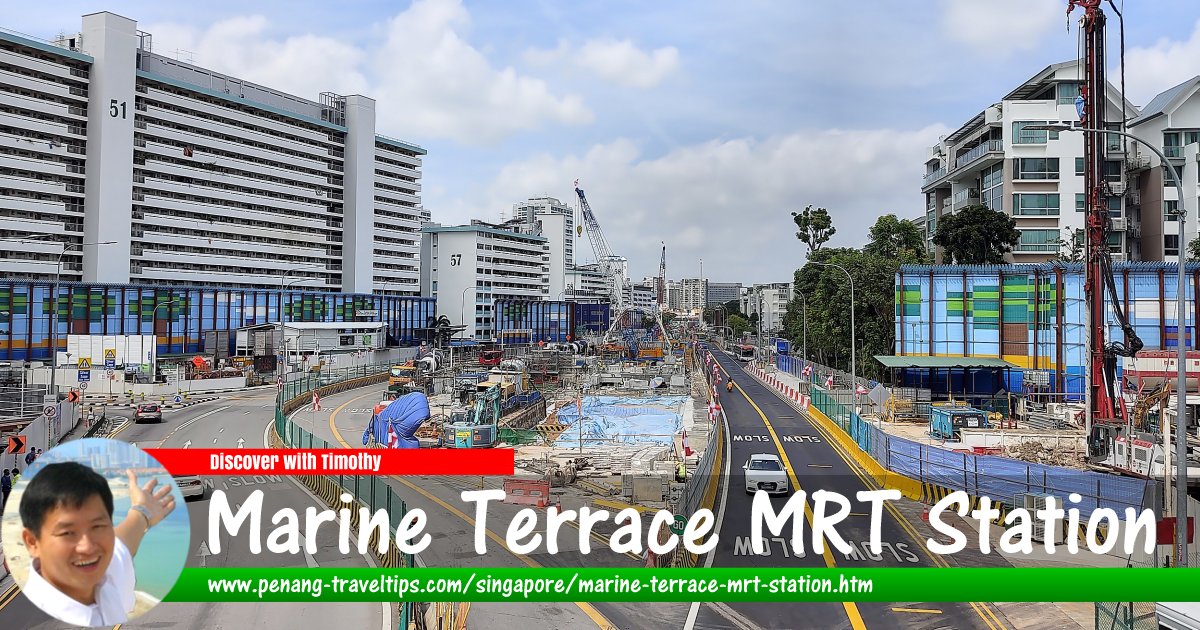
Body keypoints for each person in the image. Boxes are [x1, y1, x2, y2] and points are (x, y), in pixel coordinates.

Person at [18, 462, 176, 626]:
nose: (87, 547)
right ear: (32, 542)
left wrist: (143, 512)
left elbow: (123, 543)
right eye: (67, 533)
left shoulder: (105, 572)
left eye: (97, 526)